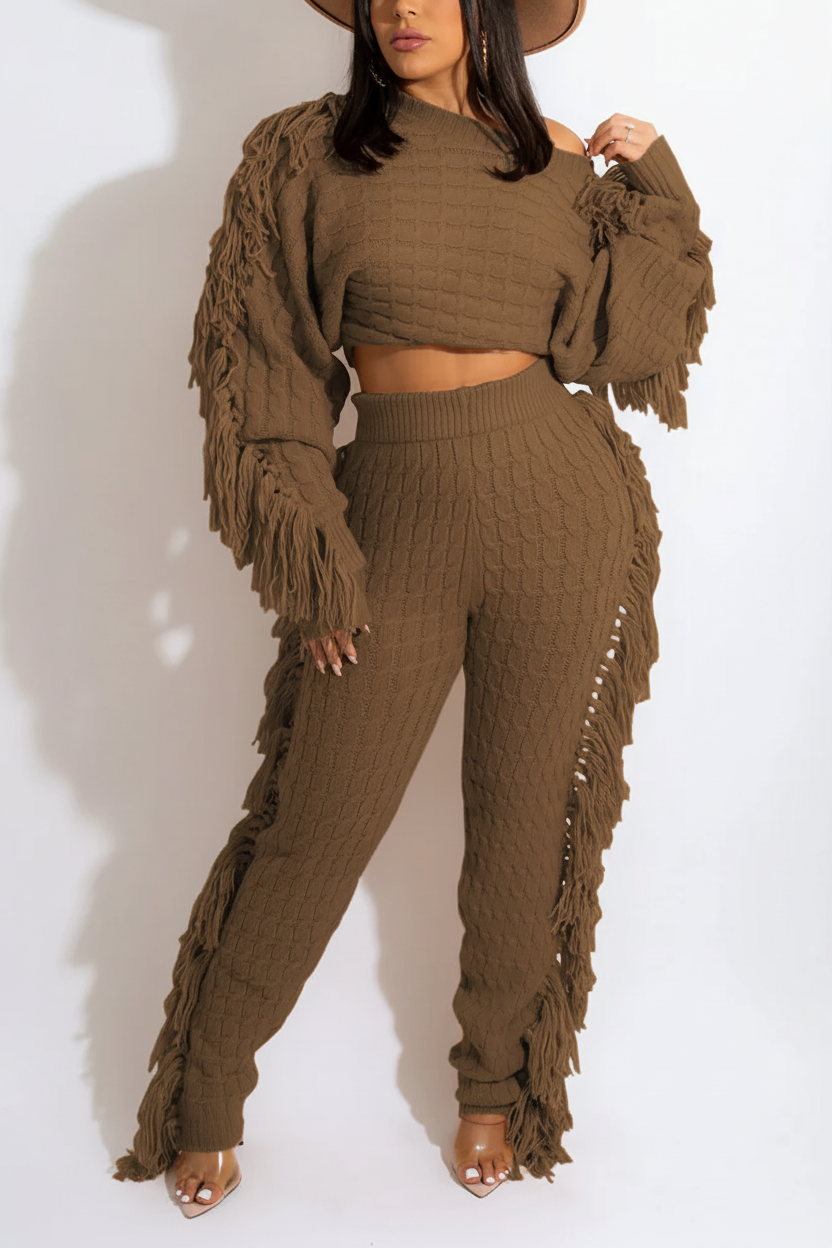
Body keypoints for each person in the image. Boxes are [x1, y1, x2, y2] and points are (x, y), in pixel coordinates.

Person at [112, 0, 715, 1212]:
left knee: (524, 818)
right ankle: (206, 1094)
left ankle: (496, 1088)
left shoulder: (552, 158)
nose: (400, 4)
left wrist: (657, 180)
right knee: (314, 824)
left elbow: (628, 334)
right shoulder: (305, 151)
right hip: (390, 513)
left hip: (559, 504)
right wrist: (314, 554)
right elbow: (266, 370)